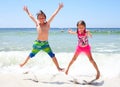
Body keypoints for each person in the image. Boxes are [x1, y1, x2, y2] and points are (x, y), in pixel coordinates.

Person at [20, 3, 64, 71]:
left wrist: (59, 8)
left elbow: (53, 15)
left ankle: (58, 68)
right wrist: (27, 11)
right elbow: (31, 16)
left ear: (45, 18)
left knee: (52, 56)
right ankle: (23, 63)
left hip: (45, 44)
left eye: (43, 17)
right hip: (38, 43)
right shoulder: (37, 24)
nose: (41, 18)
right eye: (39, 17)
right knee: (31, 54)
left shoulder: (47, 24)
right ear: (37, 18)